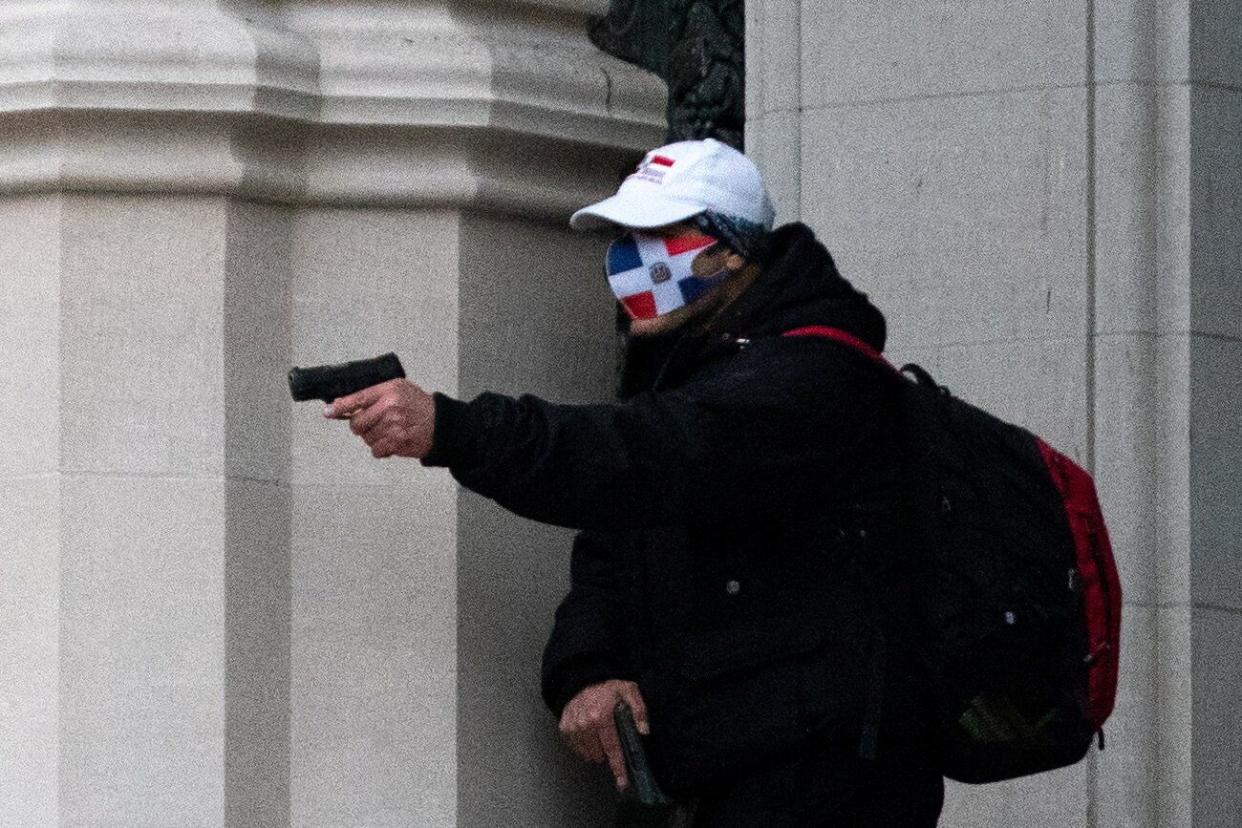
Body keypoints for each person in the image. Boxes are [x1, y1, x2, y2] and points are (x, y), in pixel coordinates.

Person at [325, 138, 944, 826]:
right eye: (626, 236)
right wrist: (587, 670)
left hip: (822, 781)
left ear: (729, 251)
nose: (631, 257)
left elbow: (641, 456)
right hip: (709, 773)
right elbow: (616, 544)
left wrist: (455, 430)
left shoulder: (812, 376)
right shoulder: (688, 367)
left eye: (657, 235)